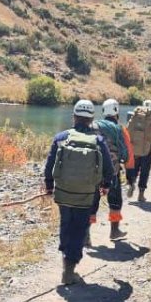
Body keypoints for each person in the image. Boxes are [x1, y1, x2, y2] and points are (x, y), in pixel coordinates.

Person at [44, 99, 114, 285]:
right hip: (86, 194)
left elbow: (50, 165)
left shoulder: (61, 138)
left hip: (63, 192)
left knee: (65, 225)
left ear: (74, 116)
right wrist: (105, 185)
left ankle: (66, 263)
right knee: (79, 229)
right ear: (91, 119)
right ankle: (69, 269)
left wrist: (49, 186)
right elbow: (108, 169)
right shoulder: (98, 140)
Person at [93, 98, 131, 240]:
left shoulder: (94, 125)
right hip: (112, 171)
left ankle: (86, 236)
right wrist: (125, 160)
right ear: (117, 112)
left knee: (92, 201)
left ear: (103, 111)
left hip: (93, 170)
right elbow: (124, 151)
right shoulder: (117, 128)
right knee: (115, 200)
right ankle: (114, 231)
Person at [127, 99, 151, 202]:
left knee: (134, 168)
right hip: (148, 150)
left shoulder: (136, 117)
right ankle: (141, 194)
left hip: (136, 148)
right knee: (145, 171)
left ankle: (132, 182)